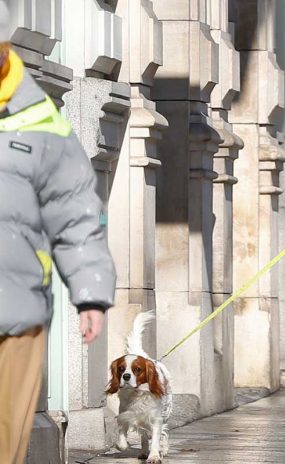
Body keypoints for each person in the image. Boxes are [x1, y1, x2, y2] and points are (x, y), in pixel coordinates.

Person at [0, 3, 116, 462]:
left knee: (6, 437)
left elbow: (75, 208)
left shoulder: (39, 118)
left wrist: (89, 293)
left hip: (17, 308)